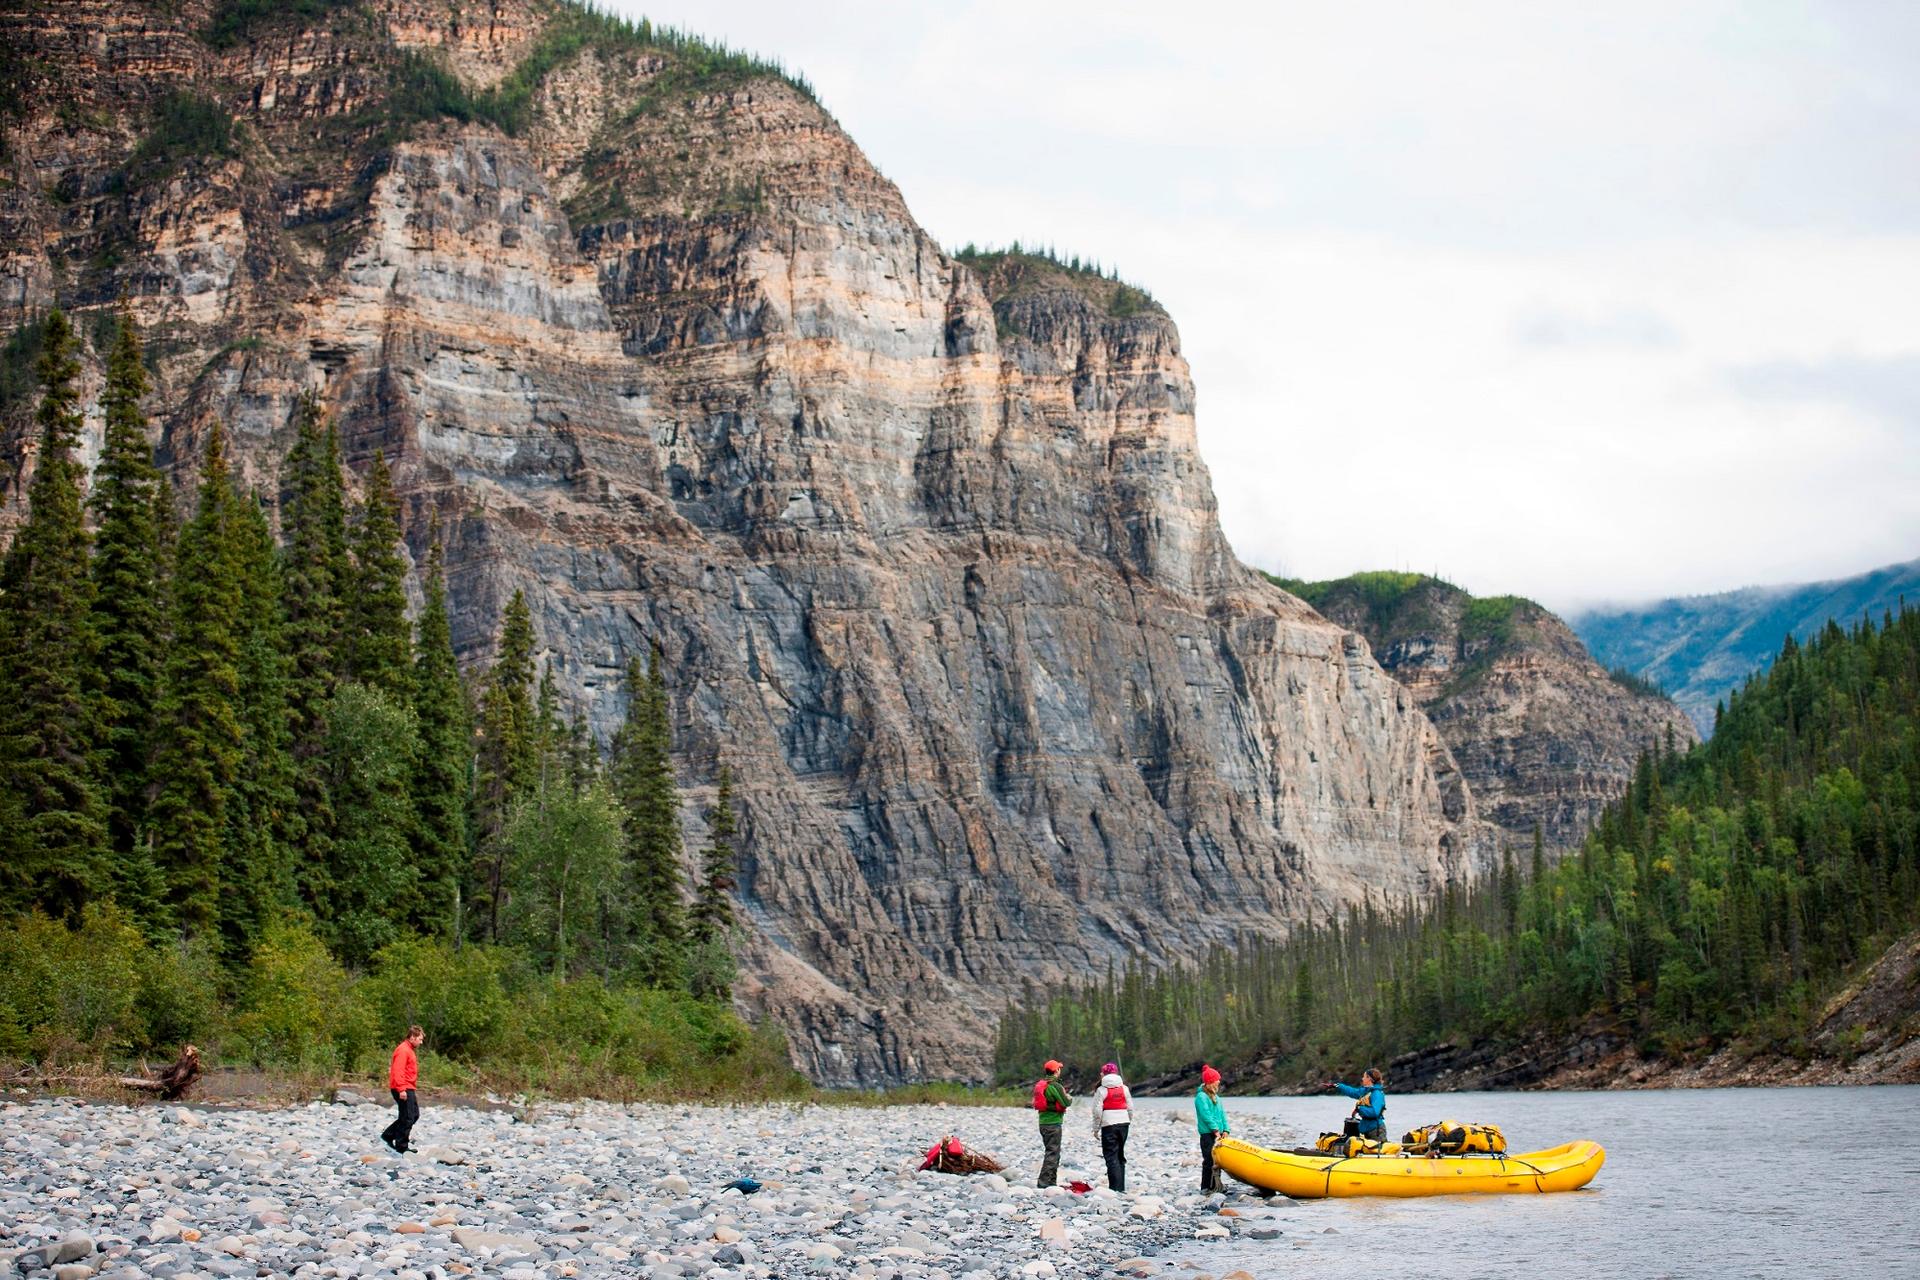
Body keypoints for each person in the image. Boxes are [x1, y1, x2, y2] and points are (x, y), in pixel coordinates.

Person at [381, 1025, 425, 1154]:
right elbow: (397, 1070)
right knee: (407, 1117)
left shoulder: (409, 1049)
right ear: (412, 1037)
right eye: (420, 1039)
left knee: (413, 1115)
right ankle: (402, 1146)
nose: (421, 1042)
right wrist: (401, 1089)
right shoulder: (403, 1050)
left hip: (408, 1087)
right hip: (403, 1087)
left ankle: (389, 1135)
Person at [1091, 1061, 1133, 1192]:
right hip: (1124, 1123)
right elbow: (1130, 1107)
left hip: (1109, 1124)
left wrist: (1096, 1128)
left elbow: (1097, 1111)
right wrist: (1128, 1120)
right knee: (1120, 1155)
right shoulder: (1124, 1088)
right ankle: (1121, 1187)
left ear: (1104, 1074)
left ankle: (1114, 1189)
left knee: (1111, 1156)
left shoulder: (1101, 1090)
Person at [1032, 1059, 1071, 1187]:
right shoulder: (1055, 1086)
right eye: (1059, 1068)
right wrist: (1069, 1098)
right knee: (1053, 1153)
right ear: (1056, 1071)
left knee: (1052, 1152)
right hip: (1053, 1123)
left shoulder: (1042, 1085)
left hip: (1043, 1123)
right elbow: (1065, 1102)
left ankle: (1051, 1182)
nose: (1060, 1070)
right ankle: (1043, 1183)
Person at [1325, 1067, 1387, 1141]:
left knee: (1377, 1151)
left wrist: (1360, 1108)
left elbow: (1374, 1112)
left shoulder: (1377, 1094)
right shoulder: (1366, 1091)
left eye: (1364, 1077)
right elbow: (1353, 1092)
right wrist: (1338, 1086)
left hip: (1376, 1130)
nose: (1362, 1079)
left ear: (1369, 1079)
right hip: (1367, 1129)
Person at [1195, 1064, 1229, 1193]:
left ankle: (1216, 1185)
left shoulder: (1217, 1098)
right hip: (1208, 1134)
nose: (1219, 1082)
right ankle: (1205, 1187)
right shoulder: (1201, 1097)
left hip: (1218, 1133)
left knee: (1218, 1160)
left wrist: (1226, 1129)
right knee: (1209, 1160)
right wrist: (1215, 1130)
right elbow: (1206, 1115)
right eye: (1216, 1080)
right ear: (1210, 1082)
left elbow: (1222, 1115)